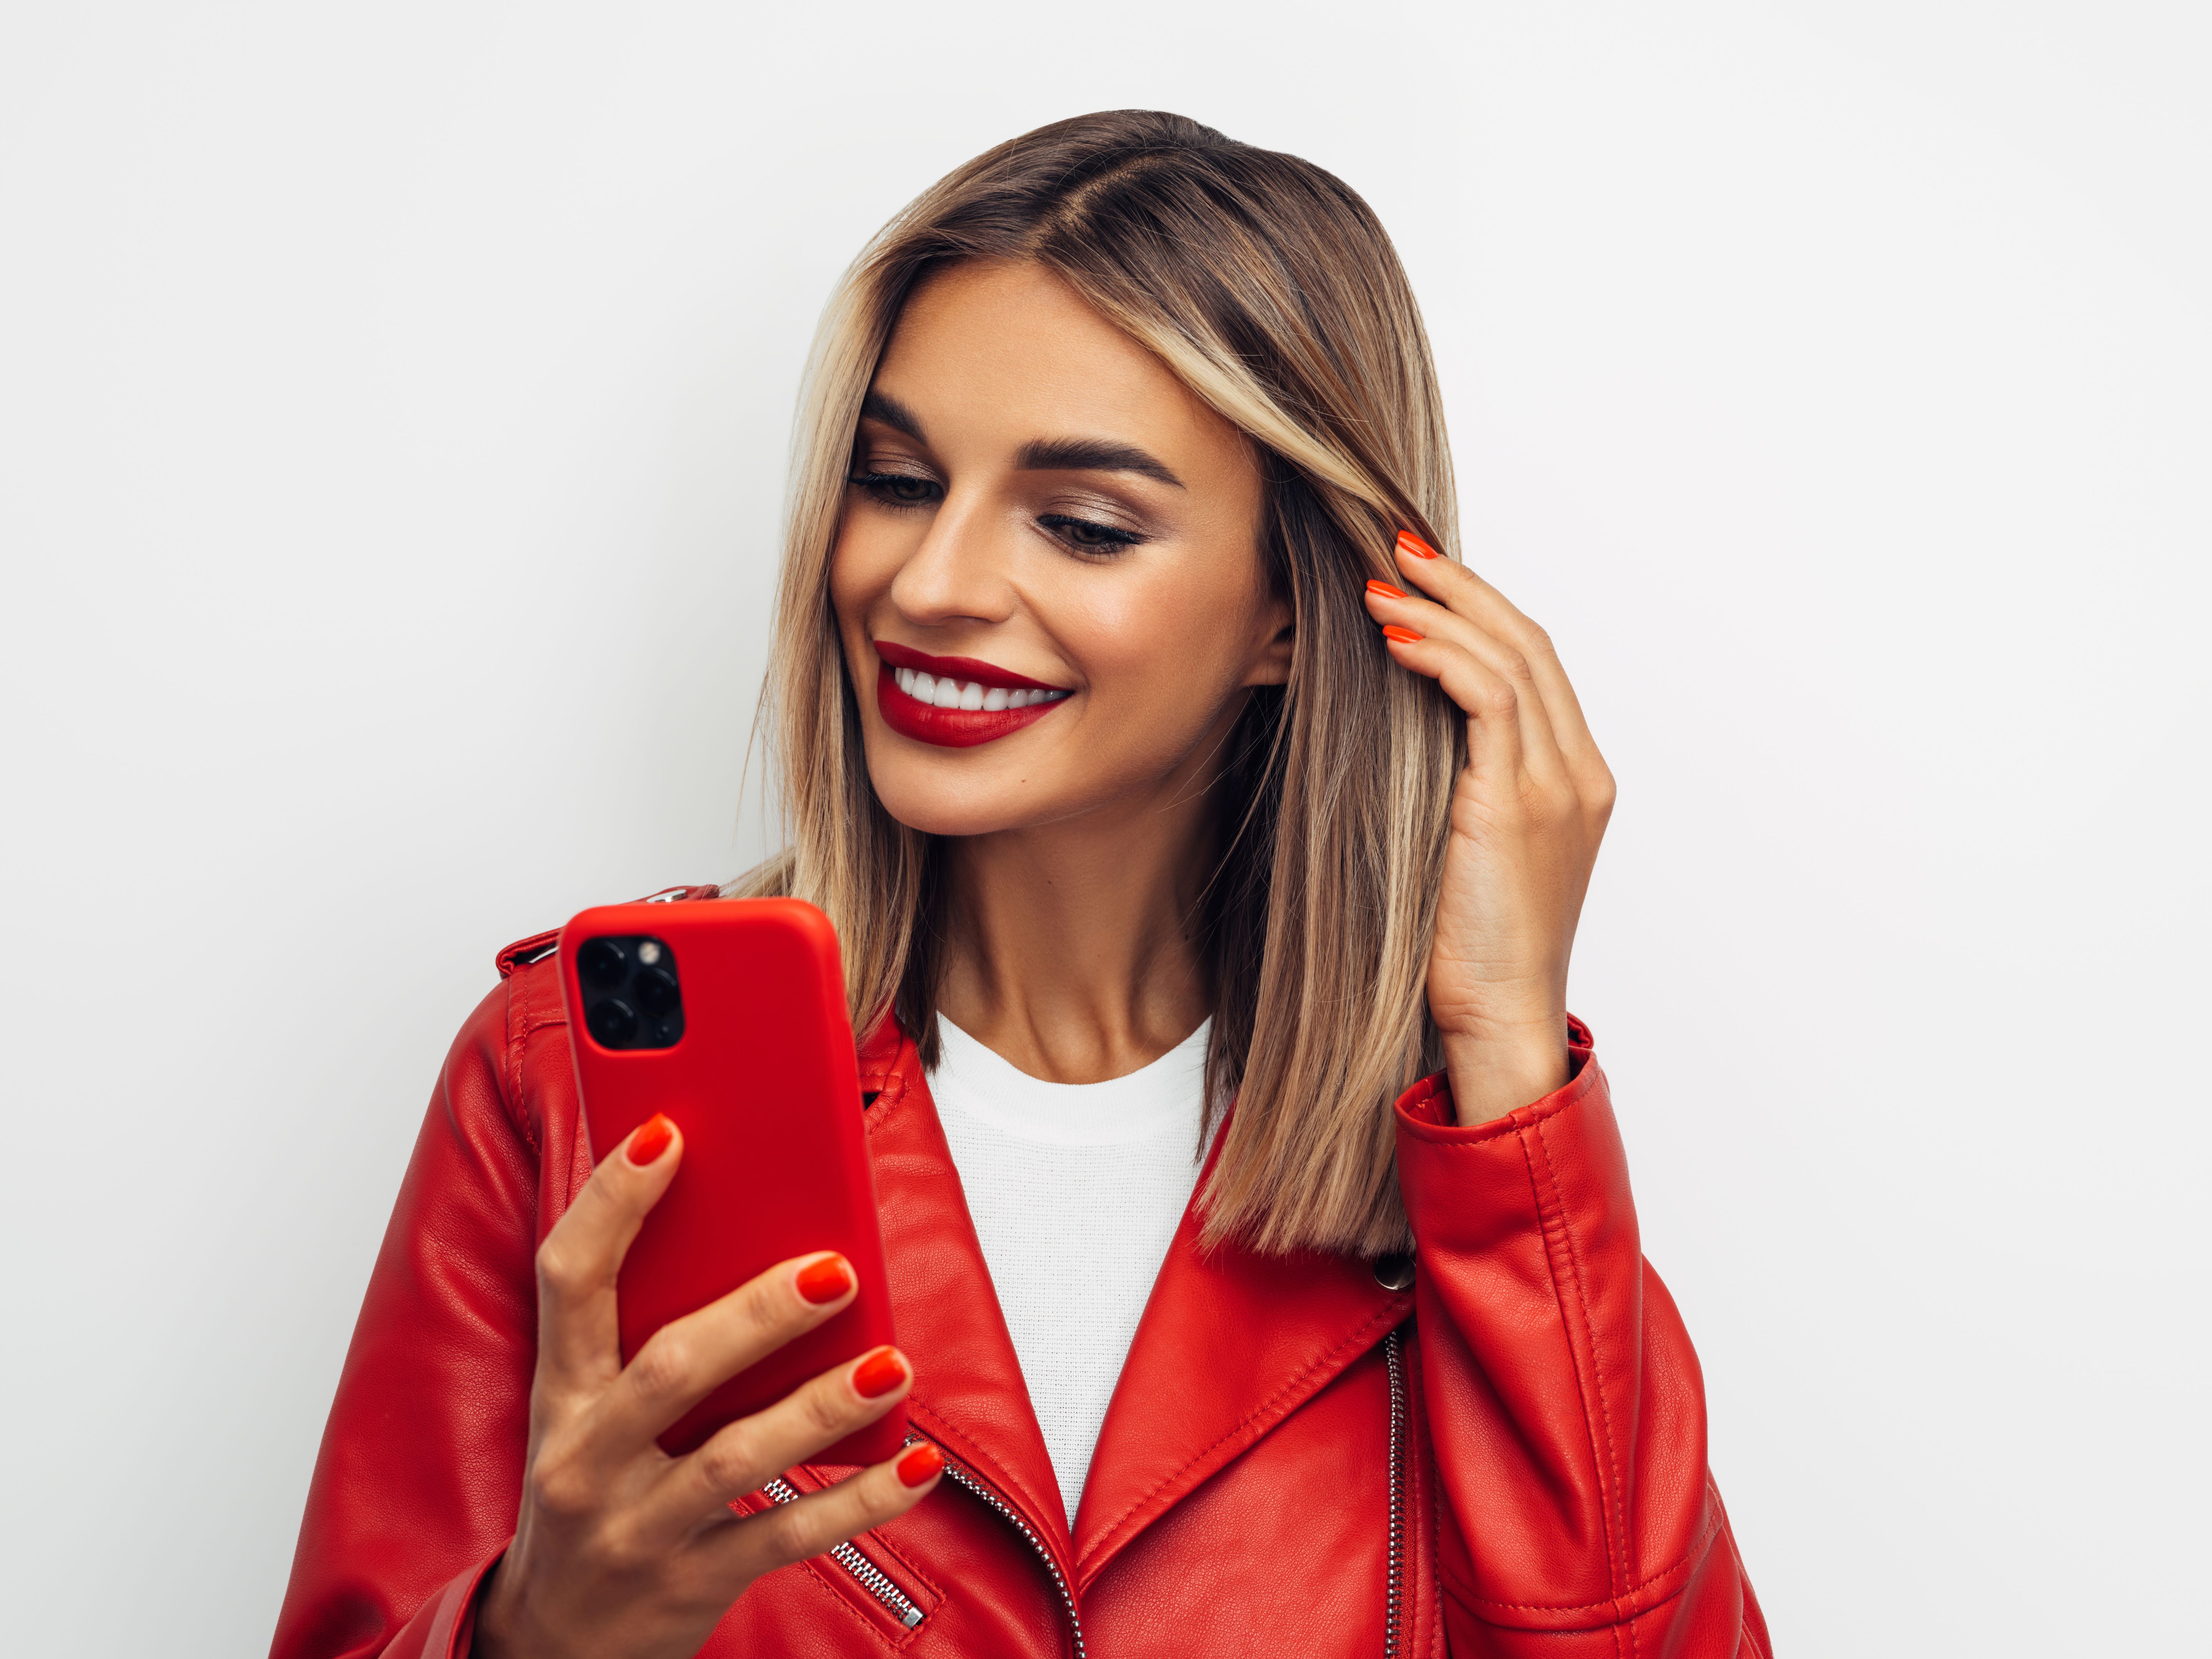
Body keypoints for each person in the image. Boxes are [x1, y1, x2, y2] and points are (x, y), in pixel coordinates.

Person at [272, 110, 1769, 1659]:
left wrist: (1508, 1057)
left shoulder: (1457, 1172)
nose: (927, 584)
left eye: (1083, 523)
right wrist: (531, 1639)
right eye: (899, 479)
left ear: (1296, 616)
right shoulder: (560, 1084)